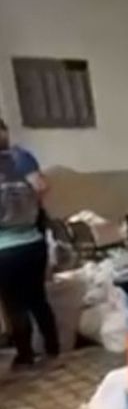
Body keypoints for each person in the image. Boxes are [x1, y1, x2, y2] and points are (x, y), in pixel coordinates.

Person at [0, 118, 58, 370]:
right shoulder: (21, 157)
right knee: (38, 298)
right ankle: (53, 349)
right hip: (33, 241)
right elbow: (42, 186)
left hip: (4, 247)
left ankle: (26, 356)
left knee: (13, 304)